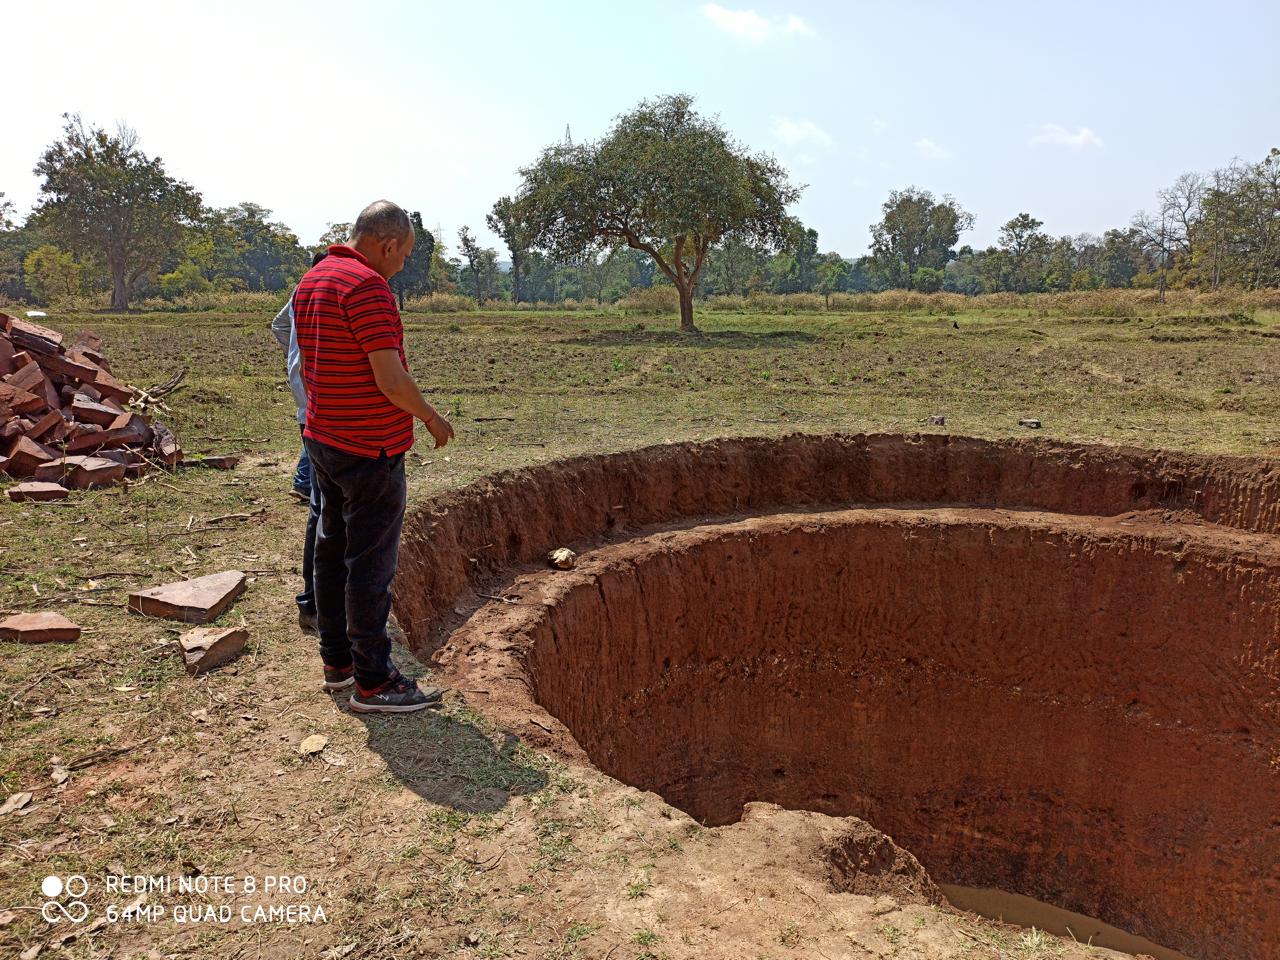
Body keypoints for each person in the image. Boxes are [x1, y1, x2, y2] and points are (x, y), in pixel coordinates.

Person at [293, 201, 454, 713]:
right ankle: (374, 680)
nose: (402, 265)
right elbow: (391, 380)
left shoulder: (314, 279)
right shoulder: (368, 287)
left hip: (323, 438)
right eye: (404, 255)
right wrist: (431, 417)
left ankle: (338, 663)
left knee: (331, 549)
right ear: (387, 245)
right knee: (370, 564)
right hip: (369, 448)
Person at [270, 250, 328, 635]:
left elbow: (278, 325)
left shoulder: (300, 292)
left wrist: (293, 352)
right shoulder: (323, 293)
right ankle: (315, 603)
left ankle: (315, 603)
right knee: (326, 511)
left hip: (308, 406)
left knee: (321, 507)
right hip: (323, 411)